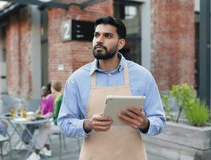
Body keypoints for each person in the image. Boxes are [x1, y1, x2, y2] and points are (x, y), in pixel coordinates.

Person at [57, 16, 166, 160]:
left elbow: (159, 120)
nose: (99, 40)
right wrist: (87, 124)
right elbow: (64, 123)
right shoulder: (76, 79)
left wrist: (144, 123)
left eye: (107, 36)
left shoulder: (143, 76)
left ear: (120, 43)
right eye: (97, 35)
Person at [27, 81, 63, 160]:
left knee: (46, 129)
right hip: (55, 123)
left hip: (62, 125)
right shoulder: (56, 98)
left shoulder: (61, 99)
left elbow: (62, 117)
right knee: (43, 126)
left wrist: (52, 123)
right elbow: (54, 115)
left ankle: (36, 152)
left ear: (53, 89)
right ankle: (47, 148)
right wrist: (50, 121)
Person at [16, 83, 54, 148]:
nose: (41, 92)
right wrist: (35, 114)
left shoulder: (50, 99)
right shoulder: (43, 98)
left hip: (46, 120)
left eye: (43, 90)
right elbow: (39, 109)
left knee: (32, 124)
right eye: (41, 90)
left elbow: (50, 113)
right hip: (39, 118)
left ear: (48, 91)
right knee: (29, 123)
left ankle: (26, 141)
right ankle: (24, 141)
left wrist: (42, 116)